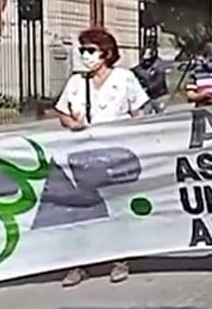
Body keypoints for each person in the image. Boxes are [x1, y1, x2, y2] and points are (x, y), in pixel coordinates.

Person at [54, 27, 148, 287]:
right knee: (84, 210)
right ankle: (80, 263)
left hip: (118, 155)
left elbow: (139, 113)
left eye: (90, 50)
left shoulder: (124, 78)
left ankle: (119, 259)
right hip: (85, 156)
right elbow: (62, 112)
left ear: (105, 53)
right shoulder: (76, 83)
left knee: (117, 207)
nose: (85, 56)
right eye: (82, 50)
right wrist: (71, 123)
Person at [132, 47, 169, 114]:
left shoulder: (158, 65)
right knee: (147, 115)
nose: (146, 62)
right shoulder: (140, 69)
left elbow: (158, 82)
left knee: (162, 114)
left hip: (160, 96)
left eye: (148, 60)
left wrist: (147, 87)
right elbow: (137, 70)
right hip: (148, 98)